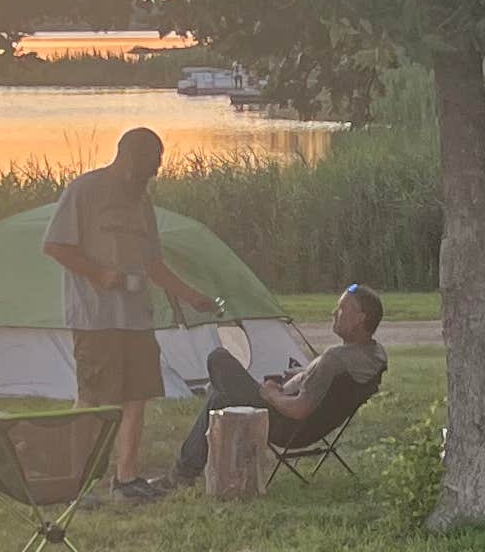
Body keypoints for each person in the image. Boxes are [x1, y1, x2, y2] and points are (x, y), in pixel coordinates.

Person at [42, 126, 219, 498]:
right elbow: (56, 246)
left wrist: (190, 295)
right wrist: (100, 274)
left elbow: (152, 263)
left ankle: (126, 478)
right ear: (128, 157)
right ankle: (78, 480)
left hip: (136, 318)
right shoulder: (85, 191)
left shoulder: (143, 204)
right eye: (150, 164)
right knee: (93, 397)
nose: (154, 172)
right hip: (96, 318)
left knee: (137, 395)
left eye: (157, 165)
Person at [173, 285, 388, 482]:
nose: (334, 313)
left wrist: (271, 395)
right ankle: (185, 470)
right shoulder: (374, 356)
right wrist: (299, 378)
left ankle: (186, 471)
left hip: (284, 425)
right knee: (221, 397)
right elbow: (322, 386)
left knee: (219, 359)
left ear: (360, 318)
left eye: (342, 309)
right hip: (308, 427)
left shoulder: (336, 359)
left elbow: (299, 410)